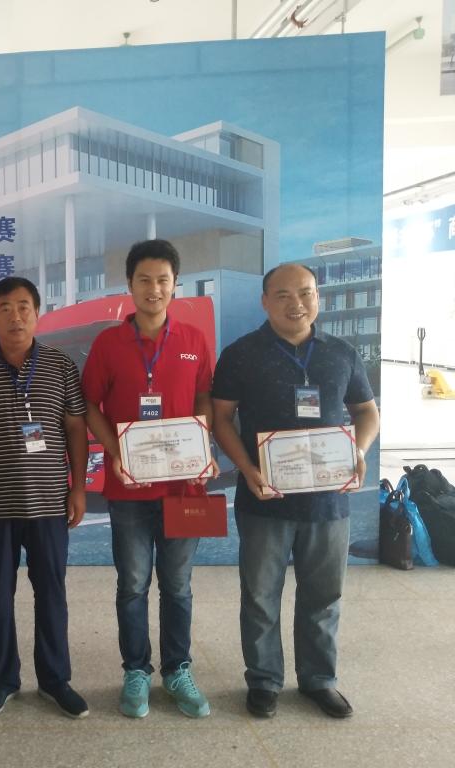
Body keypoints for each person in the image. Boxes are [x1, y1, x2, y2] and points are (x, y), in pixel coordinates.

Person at [211, 263, 379, 720]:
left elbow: (366, 412)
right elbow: (221, 419)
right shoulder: (240, 354)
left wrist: (358, 450)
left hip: (328, 502)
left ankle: (319, 679)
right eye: (283, 295)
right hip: (264, 498)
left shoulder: (342, 353)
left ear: (318, 298)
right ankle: (264, 679)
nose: (296, 303)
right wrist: (246, 468)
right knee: (260, 596)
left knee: (323, 595)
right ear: (265, 301)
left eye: (305, 293)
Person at [81, 239, 216, 719]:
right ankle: (136, 670)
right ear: (130, 285)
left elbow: (204, 399)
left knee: (178, 585)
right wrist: (115, 451)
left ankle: (177, 669)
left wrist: (203, 446)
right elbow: (89, 405)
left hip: (184, 487)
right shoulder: (108, 344)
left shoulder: (194, 340)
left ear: (175, 285)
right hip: (129, 489)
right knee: (133, 585)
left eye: (162, 280)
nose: (153, 289)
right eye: (144, 280)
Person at [0, 276, 90, 719]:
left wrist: (79, 487)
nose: (16, 316)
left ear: (37, 312)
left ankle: (55, 679)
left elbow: (75, 428)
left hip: (49, 502)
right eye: (5, 308)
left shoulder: (61, 365)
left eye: (24, 306)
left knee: (51, 593)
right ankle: (2, 679)